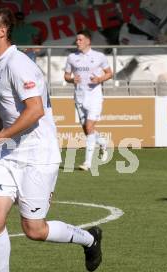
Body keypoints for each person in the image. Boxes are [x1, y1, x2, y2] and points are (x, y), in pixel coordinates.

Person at [0, 7, 103, 272]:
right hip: (10, 157)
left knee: (35, 230)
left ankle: (89, 239)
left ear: (1, 31)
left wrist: (1, 136)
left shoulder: (19, 64)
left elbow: (35, 111)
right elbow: (2, 108)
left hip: (38, 155)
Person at [64, 29, 113, 171]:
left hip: (95, 96)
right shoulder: (72, 57)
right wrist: (72, 79)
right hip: (79, 96)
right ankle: (103, 143)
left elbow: (109, 73)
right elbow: (66, 76)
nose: (77, 42)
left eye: (80, 40)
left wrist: (99, 79)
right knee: (87, 130)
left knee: (90, 127)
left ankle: (88, 163)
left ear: (88, 41)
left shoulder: (99, 56)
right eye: (77, 40)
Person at [117, 0, 167, 81]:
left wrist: (164, 38)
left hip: (152, 43)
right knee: (109, 69)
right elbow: (135, 13)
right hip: (130, 37)